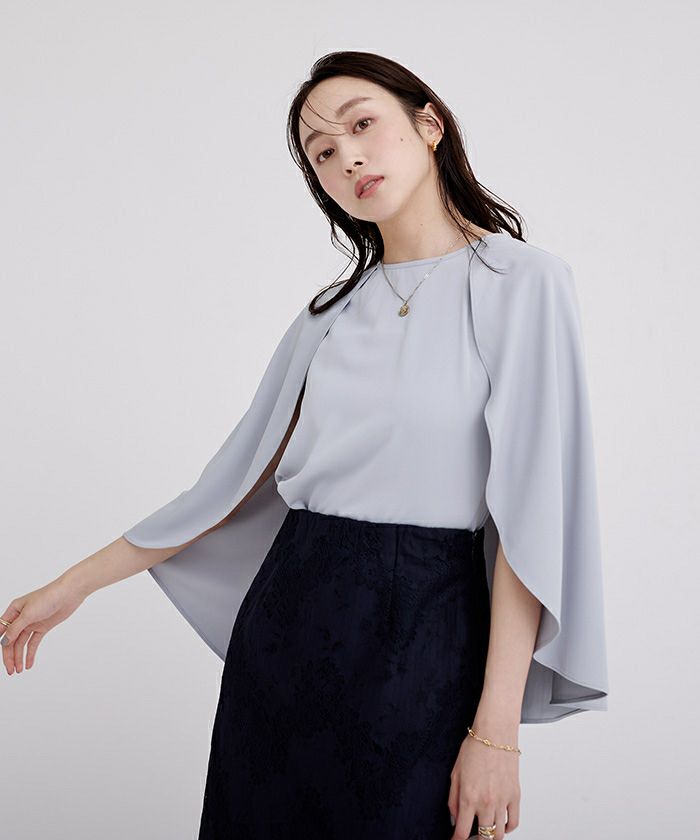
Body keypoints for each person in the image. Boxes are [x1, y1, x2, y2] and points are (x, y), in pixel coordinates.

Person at [0, 51, 608, 840]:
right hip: (288, 626)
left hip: (428, 630)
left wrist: (496, 735)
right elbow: (222, 491)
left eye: (363, 125)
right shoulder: (329, 314)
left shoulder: (522, 283)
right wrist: (73, 586)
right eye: (322, 152)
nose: (347, 156)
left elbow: (531, 521)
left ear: (429, 125)